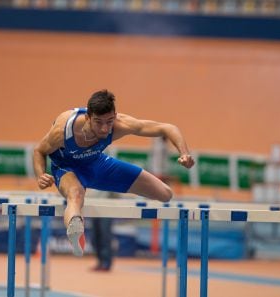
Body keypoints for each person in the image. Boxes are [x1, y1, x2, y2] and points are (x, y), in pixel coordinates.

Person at [33, 89, 194, 256]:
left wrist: (184, 153)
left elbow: (168, 128)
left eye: (109, 121)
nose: (104, 129)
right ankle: (75, 230)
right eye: (98, 122)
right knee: (76, 194)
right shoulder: (63, 131)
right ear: (88, 117)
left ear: (115, 116)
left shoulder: (120, 124)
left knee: (165, 194)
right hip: (66, 168)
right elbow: (39, 151)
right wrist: (40, 175)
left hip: (96, 163)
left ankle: (76, 224)